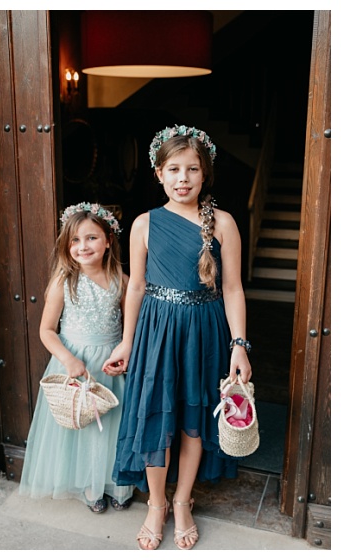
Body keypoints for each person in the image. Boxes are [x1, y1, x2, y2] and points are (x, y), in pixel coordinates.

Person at [106, 125, 251, 550]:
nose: (183, 177)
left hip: (204, 333)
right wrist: (127, 341)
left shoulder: (223, 223)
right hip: (155, 331)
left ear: (204, 174)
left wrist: (239, 345)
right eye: (173, 169)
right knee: (155, 416)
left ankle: (183, 501)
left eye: (192, 169)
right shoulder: (144, 223)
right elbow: (135, 287)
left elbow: (233, 289)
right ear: (158, 173)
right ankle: (156, 504)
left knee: (192, 421)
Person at [18, 202, 134, 514]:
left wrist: (126, 350)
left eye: (92, 238)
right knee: (84, 425)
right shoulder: (64, 281)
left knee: (111, 424)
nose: (83, 246)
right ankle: (90, 485)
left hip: (110, 364)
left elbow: (129, 326)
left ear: (108, 240)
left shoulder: (121, 281)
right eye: (75, 240)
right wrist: (68, 359)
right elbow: (46, 330)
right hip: (76, 362)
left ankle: (115, 483)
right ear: (67, 246)